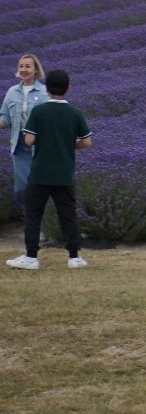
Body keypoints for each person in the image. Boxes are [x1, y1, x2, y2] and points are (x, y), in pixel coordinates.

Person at [8, 67, 90, 271]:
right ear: (68, 88)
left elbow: (28, 139)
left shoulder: (39, 111)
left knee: (34, 214)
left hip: (40, 172)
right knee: (68, 215)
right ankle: (74, 257)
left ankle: (31, 257)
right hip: (64, 173)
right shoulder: (75, 113)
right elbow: (87, 142)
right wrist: (68, 143)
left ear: (46, 89)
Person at [4, 53, 49, 221]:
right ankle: (32, 217)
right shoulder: (11, 92)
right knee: (21, 188)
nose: (24, 70)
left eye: (28, 66)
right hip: (19, 146)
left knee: (40, 186)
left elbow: (50, 119)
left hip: (40, 146)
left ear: (36, 70)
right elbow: (5, 118)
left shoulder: (44, 92)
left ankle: (40, 222)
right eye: (21, 66)